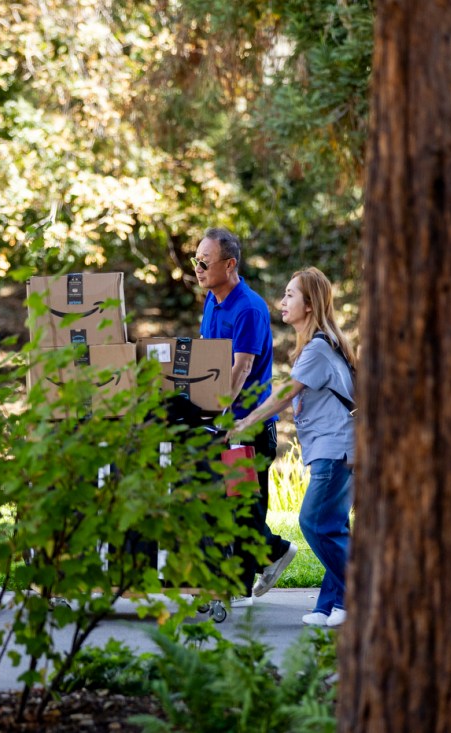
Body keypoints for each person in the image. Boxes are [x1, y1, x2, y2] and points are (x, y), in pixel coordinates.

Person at [229, 267, 355, 627]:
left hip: (337, 449)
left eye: (289, 295)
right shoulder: (320, 345)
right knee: (333, 525)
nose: (281, 302)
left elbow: (284, 395)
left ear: (310, 304)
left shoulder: (317, 348)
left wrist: (245, 422)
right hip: (336, 447)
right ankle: (330, 605)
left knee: (314, 522)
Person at [194, 227, 297, 607]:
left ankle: (277, 551)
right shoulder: (212, 301)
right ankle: (239, 583)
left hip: (246, 425)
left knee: (242, 504)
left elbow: (240, 368)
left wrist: (217, 413)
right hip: (224, 422)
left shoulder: (248, 307)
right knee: (233, 502)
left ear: (230, 263)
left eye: (205, 261)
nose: (198, 267)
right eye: (196, 260)